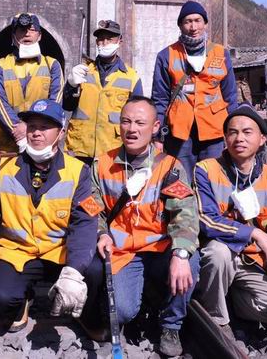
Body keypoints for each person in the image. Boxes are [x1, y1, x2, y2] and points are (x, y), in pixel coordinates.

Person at [81, 96, 199, 357]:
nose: (131, 129)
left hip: (160, 248)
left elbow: (185, 214)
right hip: (122, 252)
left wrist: (180, 253)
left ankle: (171, 326)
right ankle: (138, 301)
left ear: (155, 127)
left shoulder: (170, 167)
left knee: (189, 261)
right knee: (123, 312)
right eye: (126, 122)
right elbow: (91, 208)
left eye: (140, 123)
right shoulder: (102, 164)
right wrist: (101, 233)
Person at [0, 99, 96, 332]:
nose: (36, 133)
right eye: (32, 127)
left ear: (61, 133)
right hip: (18, 252)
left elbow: (85, 222)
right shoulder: (4, 167)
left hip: (59, 252)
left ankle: (87, 316)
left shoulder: (79, 171)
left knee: (95, 270)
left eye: (45, 127)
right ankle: (23, 300)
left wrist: (74, 271)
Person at [195, 105, 267, 328]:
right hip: (218, 257)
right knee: (218, 253)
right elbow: (206, 220)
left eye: (247, 132)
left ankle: (233, 301)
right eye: (233, 132)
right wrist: (254, 233)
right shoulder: (205, 170)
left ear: (262, 139)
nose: (239, 138)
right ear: (225, 138)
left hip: (253, 262)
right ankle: (215, 318)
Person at [151, 1, 238, 177]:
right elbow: (159, 98)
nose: (193, 27)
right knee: (181, 180)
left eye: (197, 20)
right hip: (179, 133)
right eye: (188, 21)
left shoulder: (221, 53)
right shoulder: (166, 55)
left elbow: (230, 96)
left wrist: (234, 129)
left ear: (205, 23)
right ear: (180, 25)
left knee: (213, 178)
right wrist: (157, 134)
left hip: (214, 130)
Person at [63, 20, 143, 165]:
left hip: (113, 151)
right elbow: (67, 106)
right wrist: (71, 85)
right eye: (101, 39)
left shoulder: (132, 78)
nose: (104, 43)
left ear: (119, 41)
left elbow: (137, 118)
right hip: (79, 149)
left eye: (110, 39)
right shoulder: (83, 71)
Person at [0, 13, 64, 153]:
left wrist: (33, 129)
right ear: (13, 36)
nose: (27, 34)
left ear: (39, 36)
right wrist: (18, 129)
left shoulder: (52, 65)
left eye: (32, 30)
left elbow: (55, 102)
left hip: (42, 144)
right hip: (9, 145)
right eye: (21, 30)